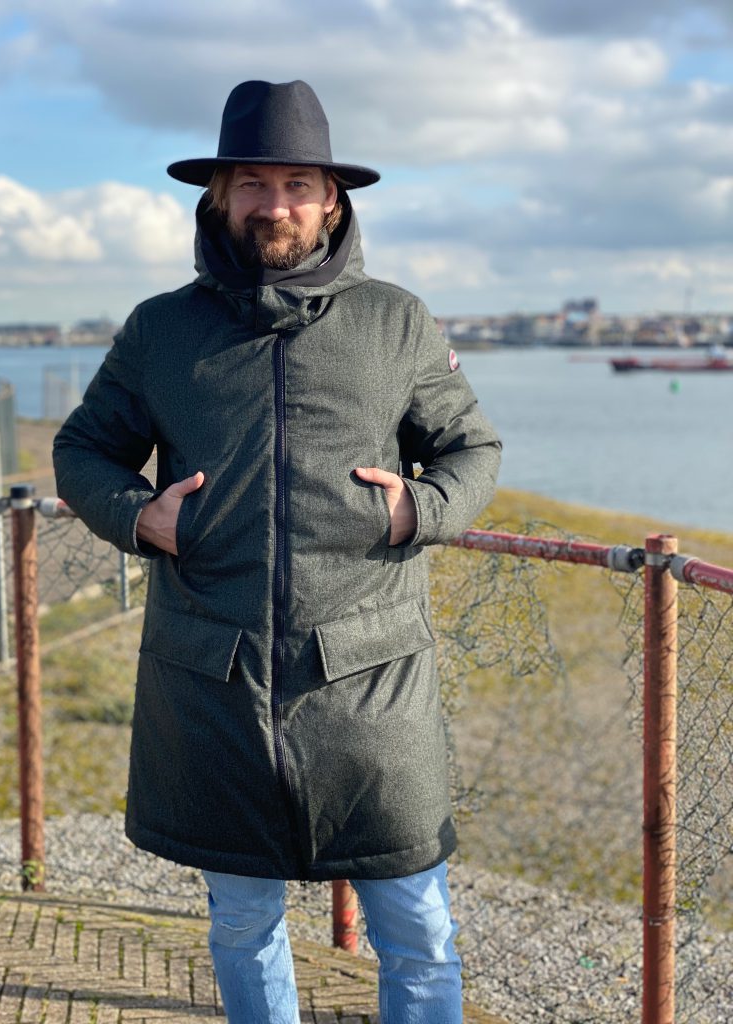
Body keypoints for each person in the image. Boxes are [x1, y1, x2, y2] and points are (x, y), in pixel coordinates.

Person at [53, 79, 502, 1024]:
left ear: (332, 199)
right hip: (215, 683)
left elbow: (473, 450)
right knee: (242, 921)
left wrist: (416, 511)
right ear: (219, 197)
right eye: (252, 183)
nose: (276, 204)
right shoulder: (161, 329)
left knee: (418, 929)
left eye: (298, 183)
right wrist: (138, 518)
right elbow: (83, 449)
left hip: (372, 685)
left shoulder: (396, 321)